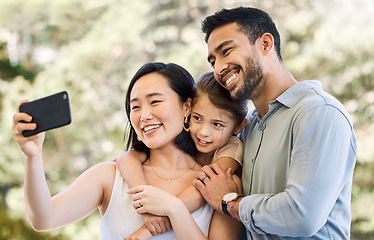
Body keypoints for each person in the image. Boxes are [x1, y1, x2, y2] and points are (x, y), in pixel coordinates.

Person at [12, 62, 242, 240]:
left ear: (187, 107)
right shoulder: (110, 176)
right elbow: (43, 219)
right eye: (135, 106)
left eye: (155, 102)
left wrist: (174, 208)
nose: (144, 116)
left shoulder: (218, 185)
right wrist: (33, 157)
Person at [192, 7, 357, 240]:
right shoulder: (247, 127)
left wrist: (230, 203)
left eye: (226, 51)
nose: (219, 68)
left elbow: (302, 215)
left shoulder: (319, 112)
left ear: (265, 44)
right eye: (213, 62)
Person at [116, 71, 247, 238]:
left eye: (217, 124)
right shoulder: (189, 136)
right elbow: (127, 158)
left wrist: (152, 226)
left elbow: (203, 187)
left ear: (238, 126)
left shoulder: (231, 147)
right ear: (188, 110)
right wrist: (145, 204)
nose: (203, 132)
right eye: (198, 118)